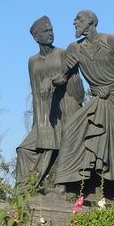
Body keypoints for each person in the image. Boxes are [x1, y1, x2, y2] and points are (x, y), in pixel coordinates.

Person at [51, 10, 114, 202]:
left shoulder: (111, 40)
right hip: (98, 98)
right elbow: (62, 77)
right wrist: (52, 80)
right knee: (72, 128)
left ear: (90, 22)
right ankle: (64, 186)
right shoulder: (75, 48)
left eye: (78, 20)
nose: (74, 23)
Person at [15, 15, 84, 192]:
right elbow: (35, 93)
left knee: (57, 146)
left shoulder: (61, 53)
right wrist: (36, 124)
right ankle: (23, 189)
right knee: (24, 149)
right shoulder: (32, 61)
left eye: (51, 29)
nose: (50, 33)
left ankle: (55, 189)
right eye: (46, 31)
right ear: (36, 37)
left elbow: (67, 77)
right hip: (45, 113)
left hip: (65, 108)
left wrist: (52, 80)